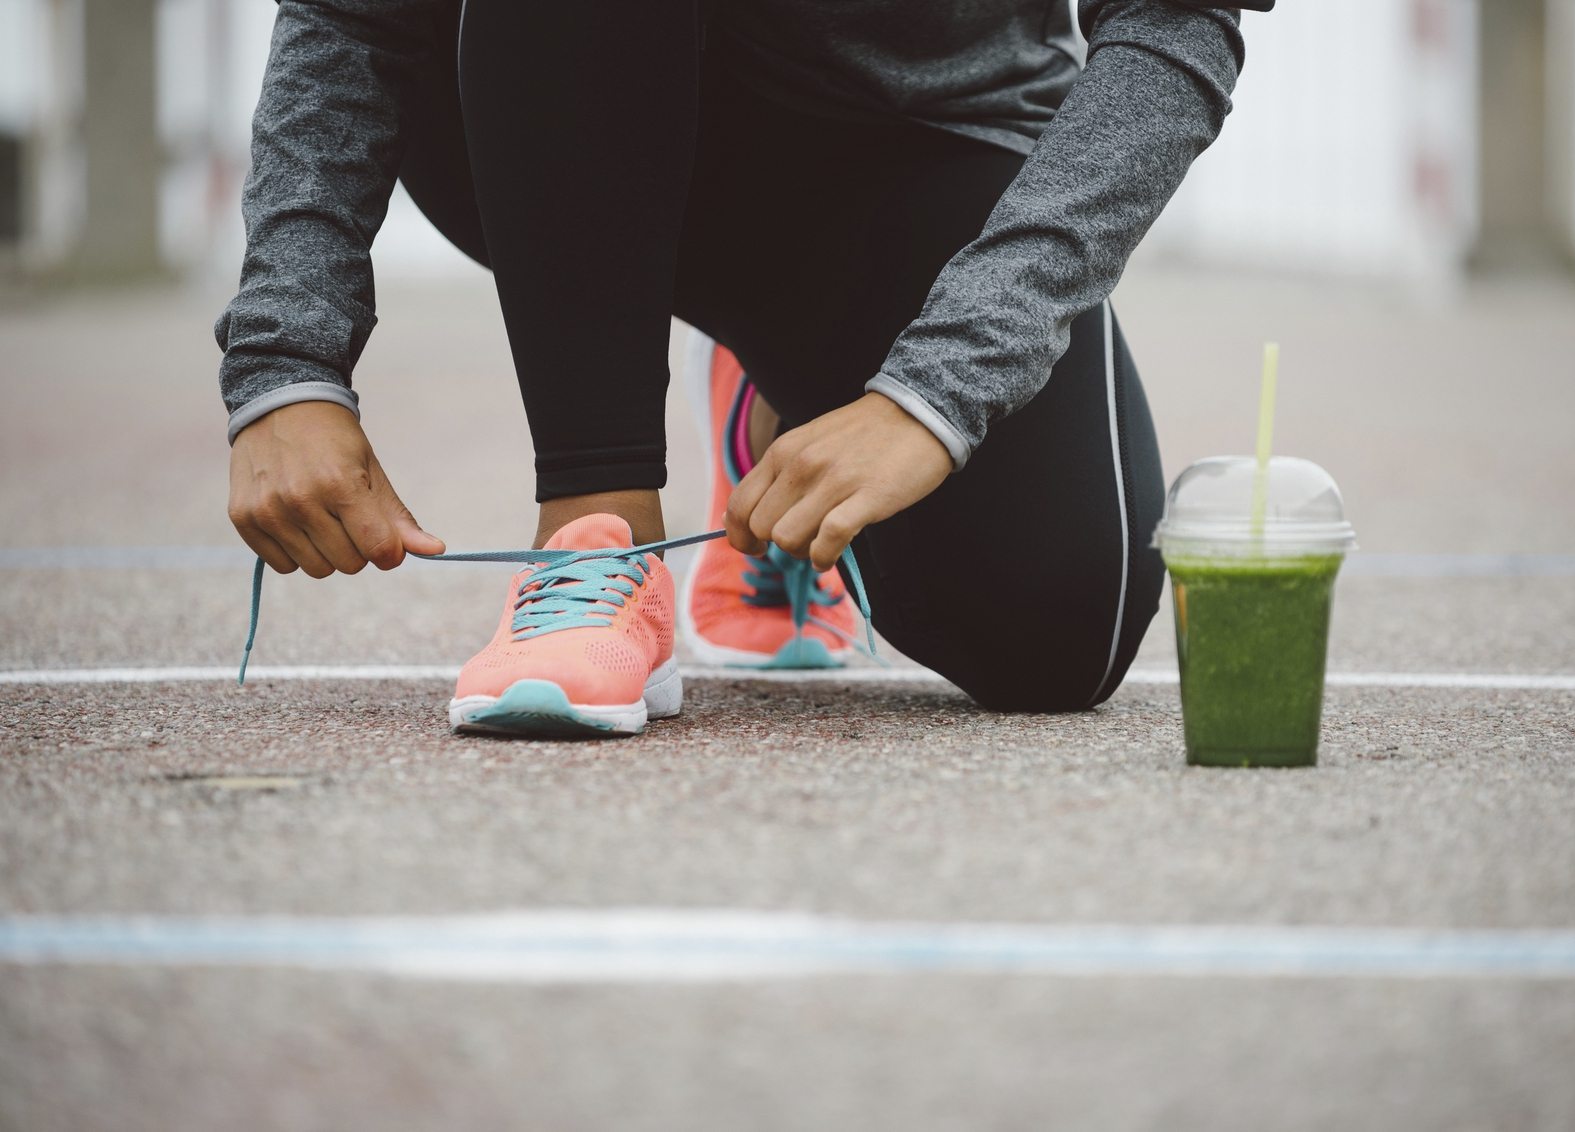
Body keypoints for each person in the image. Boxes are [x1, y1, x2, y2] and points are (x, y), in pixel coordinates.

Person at [220, 0, 1260, 737]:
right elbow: (352, 16)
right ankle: (597, 540)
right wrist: (289, 362)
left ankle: (778, 398)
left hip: (919, 135)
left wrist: (935, 393)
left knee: (1055, 638)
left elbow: (1179, 21)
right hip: (553, 87)